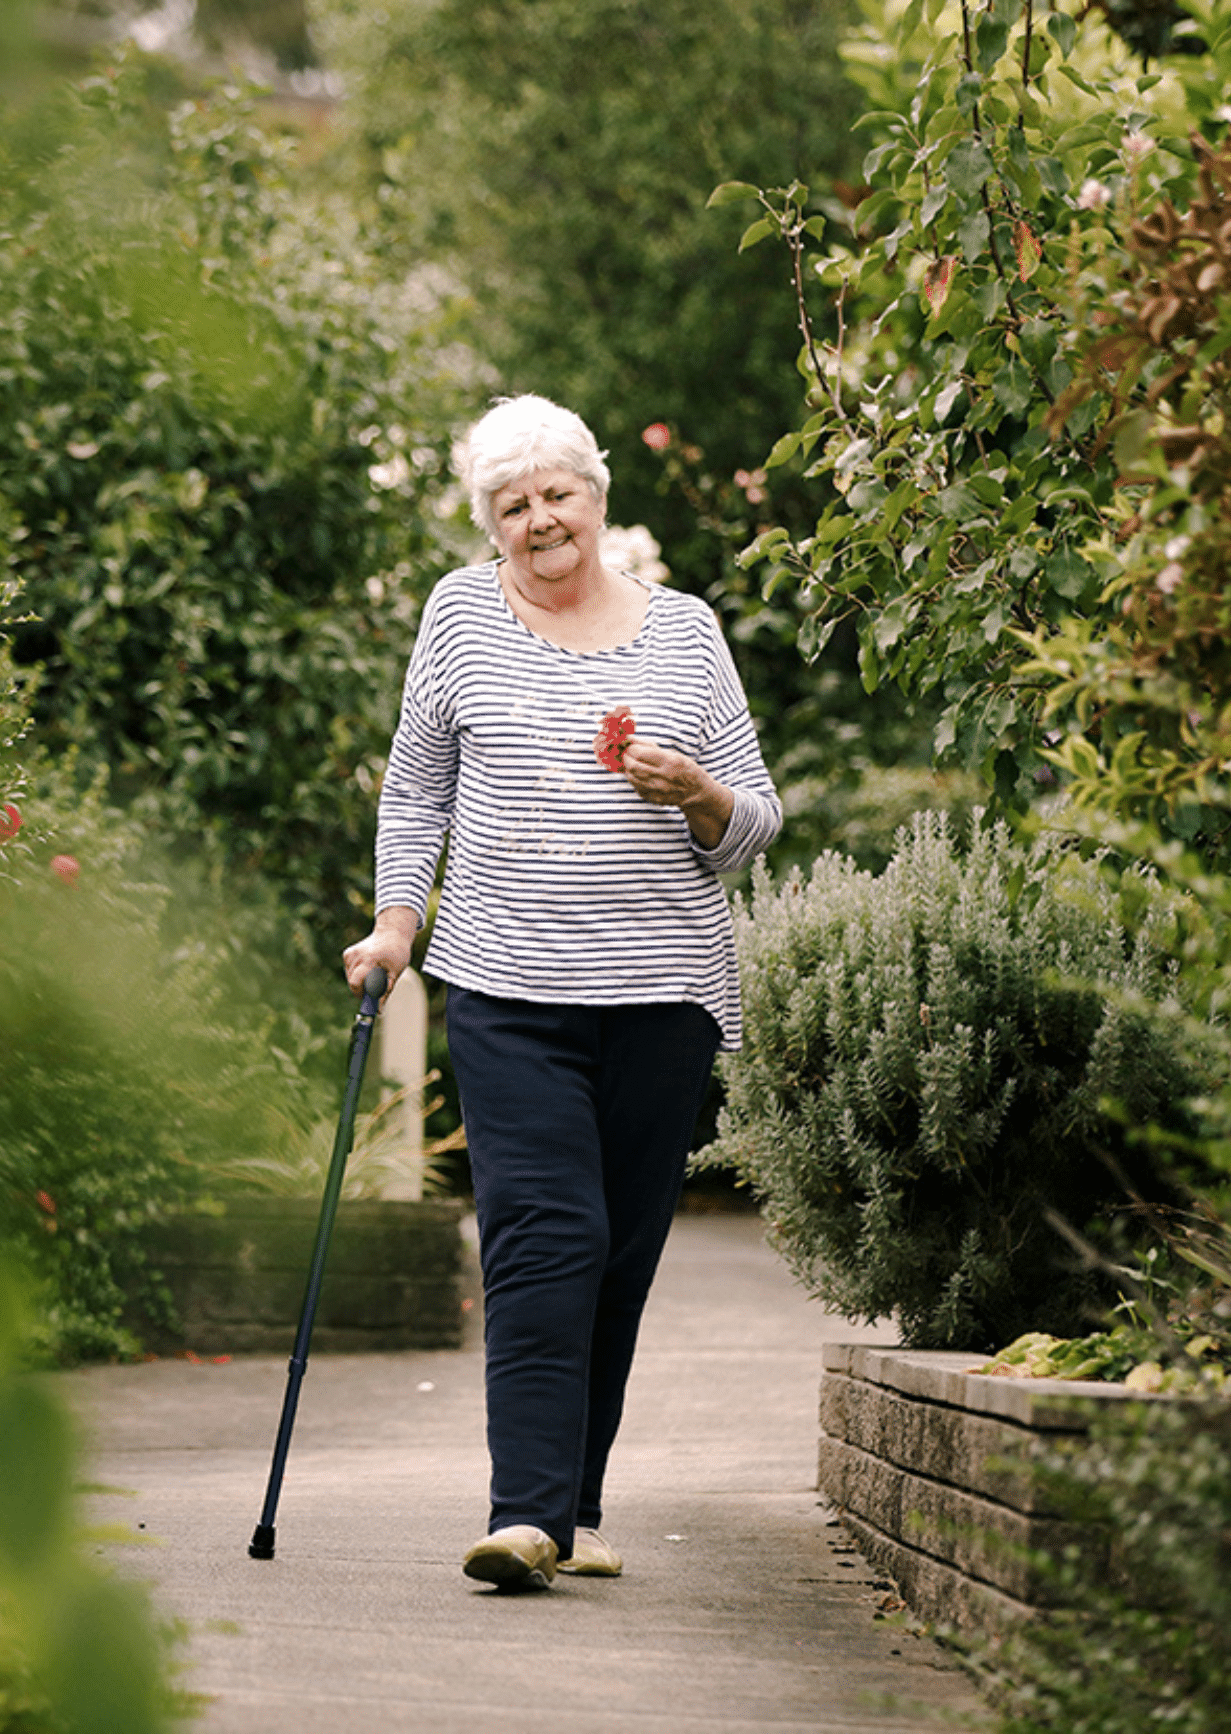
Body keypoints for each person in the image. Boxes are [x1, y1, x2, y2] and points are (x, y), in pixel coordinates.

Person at [341, 394, 783, 1592]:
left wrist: (692, 790)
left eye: (556, 494)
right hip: (507, 985)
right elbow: (413, 793)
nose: (540, 520)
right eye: (511, 504)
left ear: (597, 496)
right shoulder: (458, 618)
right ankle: (524, 1515)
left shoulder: (685, 634)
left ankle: (571, 1509)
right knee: (548, 1234)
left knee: (621, 1256)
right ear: (488, 524)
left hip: (662, 994)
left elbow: (752, 824)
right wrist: (395, 926)